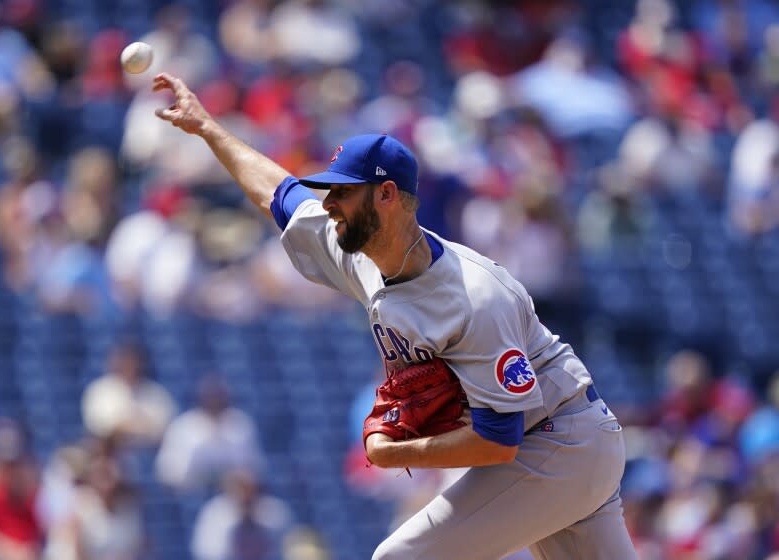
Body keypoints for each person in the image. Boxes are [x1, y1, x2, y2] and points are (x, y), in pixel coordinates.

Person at [153, 72, 637, 560]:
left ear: (386, 196)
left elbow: (499, 441)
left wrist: (396, 452)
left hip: (556, 439)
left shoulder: (473, 295)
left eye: (343, 192)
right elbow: (278, 194)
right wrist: (208, 128)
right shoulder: (355, 250)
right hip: (563, 444)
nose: (330, 203)